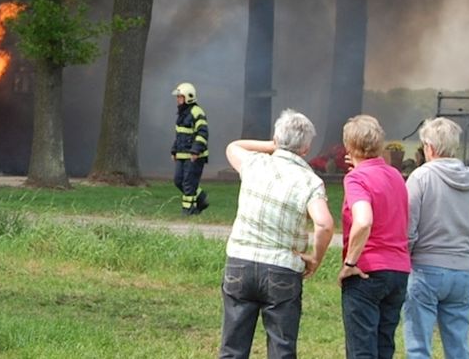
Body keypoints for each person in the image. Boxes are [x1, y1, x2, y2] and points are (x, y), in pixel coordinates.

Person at [219, 109, 334, 359]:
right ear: (306, 149)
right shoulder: (309, 181)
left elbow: (233, 146)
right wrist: (315, 258)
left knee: (232, 348)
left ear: (275, 137)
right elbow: (324, 224)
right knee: (282, 348)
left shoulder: (254, 163)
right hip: (283, 269)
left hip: (240, 262)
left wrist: (273, 145)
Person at [403, 118, 469, 359]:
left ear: (430, 147)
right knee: (458, 345)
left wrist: (406, 256)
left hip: (427, 267)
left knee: (419, 344)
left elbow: (409, 228)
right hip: (464, 268)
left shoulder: (420, 177)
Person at [338, 115, 410, 359]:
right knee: (383, 347)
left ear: (348, 147)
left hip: (367, 271)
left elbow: (364, 220)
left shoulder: (356, 179)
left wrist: (350, 263)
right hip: (399, 271)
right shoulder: (396, 176)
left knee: (361, 350)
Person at [171, 82, 210, 215]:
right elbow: (179, 135)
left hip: (194, 156)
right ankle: (201, 198)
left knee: (188, 183)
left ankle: (188, 210)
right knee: (178, 181)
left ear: (188, 97)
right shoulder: (181, 114)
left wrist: (195, 151)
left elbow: (202, 133)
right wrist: (174, 150)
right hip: (182, 155)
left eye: (180, 97)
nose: (178, 99)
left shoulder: (196, 112)